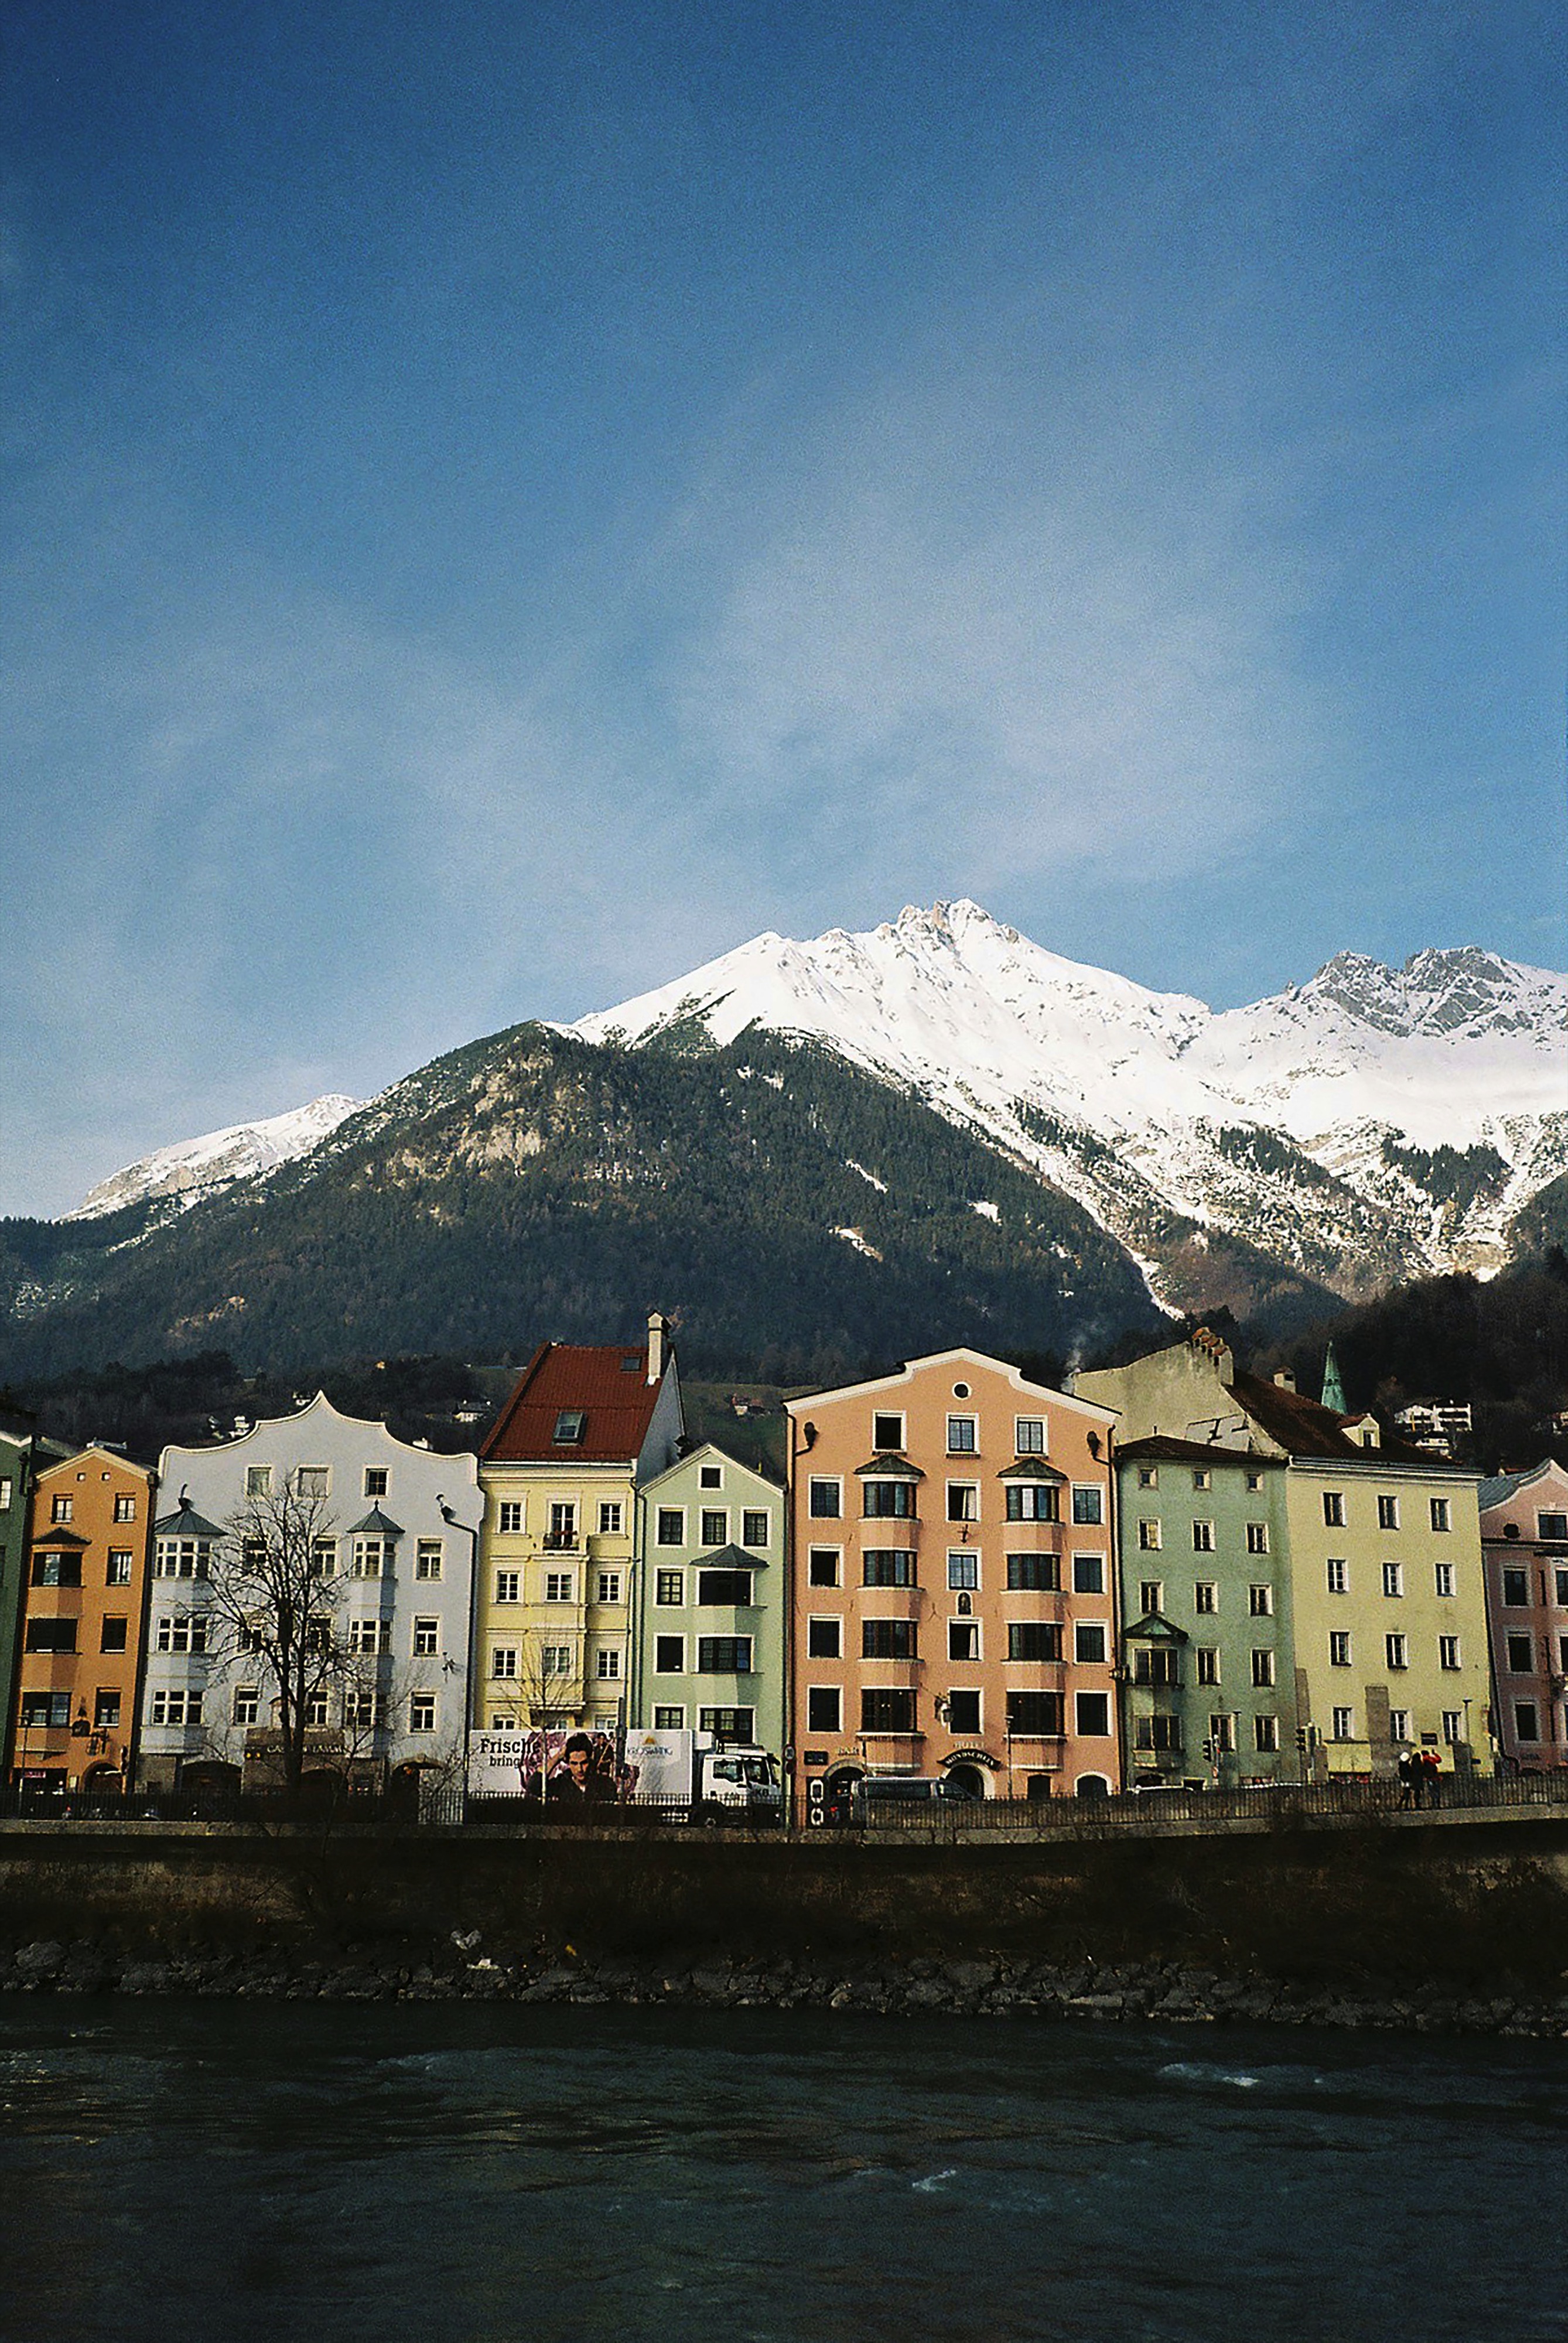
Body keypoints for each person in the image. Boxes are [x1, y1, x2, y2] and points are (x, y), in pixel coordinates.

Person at [546, 1732, 616, 1812]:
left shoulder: (605, 1784)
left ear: (590, 1760)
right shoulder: (562, 1783)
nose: (580, 1769)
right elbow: (534, 1786)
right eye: (574, 1763)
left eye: (584, 1763)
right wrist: (558, 1757)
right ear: (568, 1763)